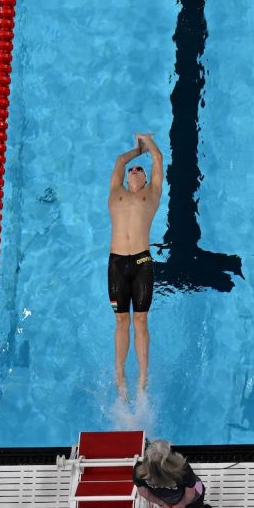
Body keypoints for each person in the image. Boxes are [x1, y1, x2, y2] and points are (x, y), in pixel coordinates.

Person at [108, 133, 163, 396]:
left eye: (139, 169)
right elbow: (120, 160)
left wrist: (148, 142)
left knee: (140, 321)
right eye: (132, 169)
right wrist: (137, 149)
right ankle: (120, 376)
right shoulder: (115, 193)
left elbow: (159, 158)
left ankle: (142, 377)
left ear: (145, 179)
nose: (134, 170)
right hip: (117, 263)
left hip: (141, 261)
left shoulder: (151, 195)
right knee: (121, 322)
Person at [133, 439, 214, 508]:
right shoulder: (182, 468)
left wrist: (163, 504)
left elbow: (144, 492)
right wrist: (182, 504)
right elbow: (190, 494)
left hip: (170, 503)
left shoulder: (139, 472)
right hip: (194, 497)